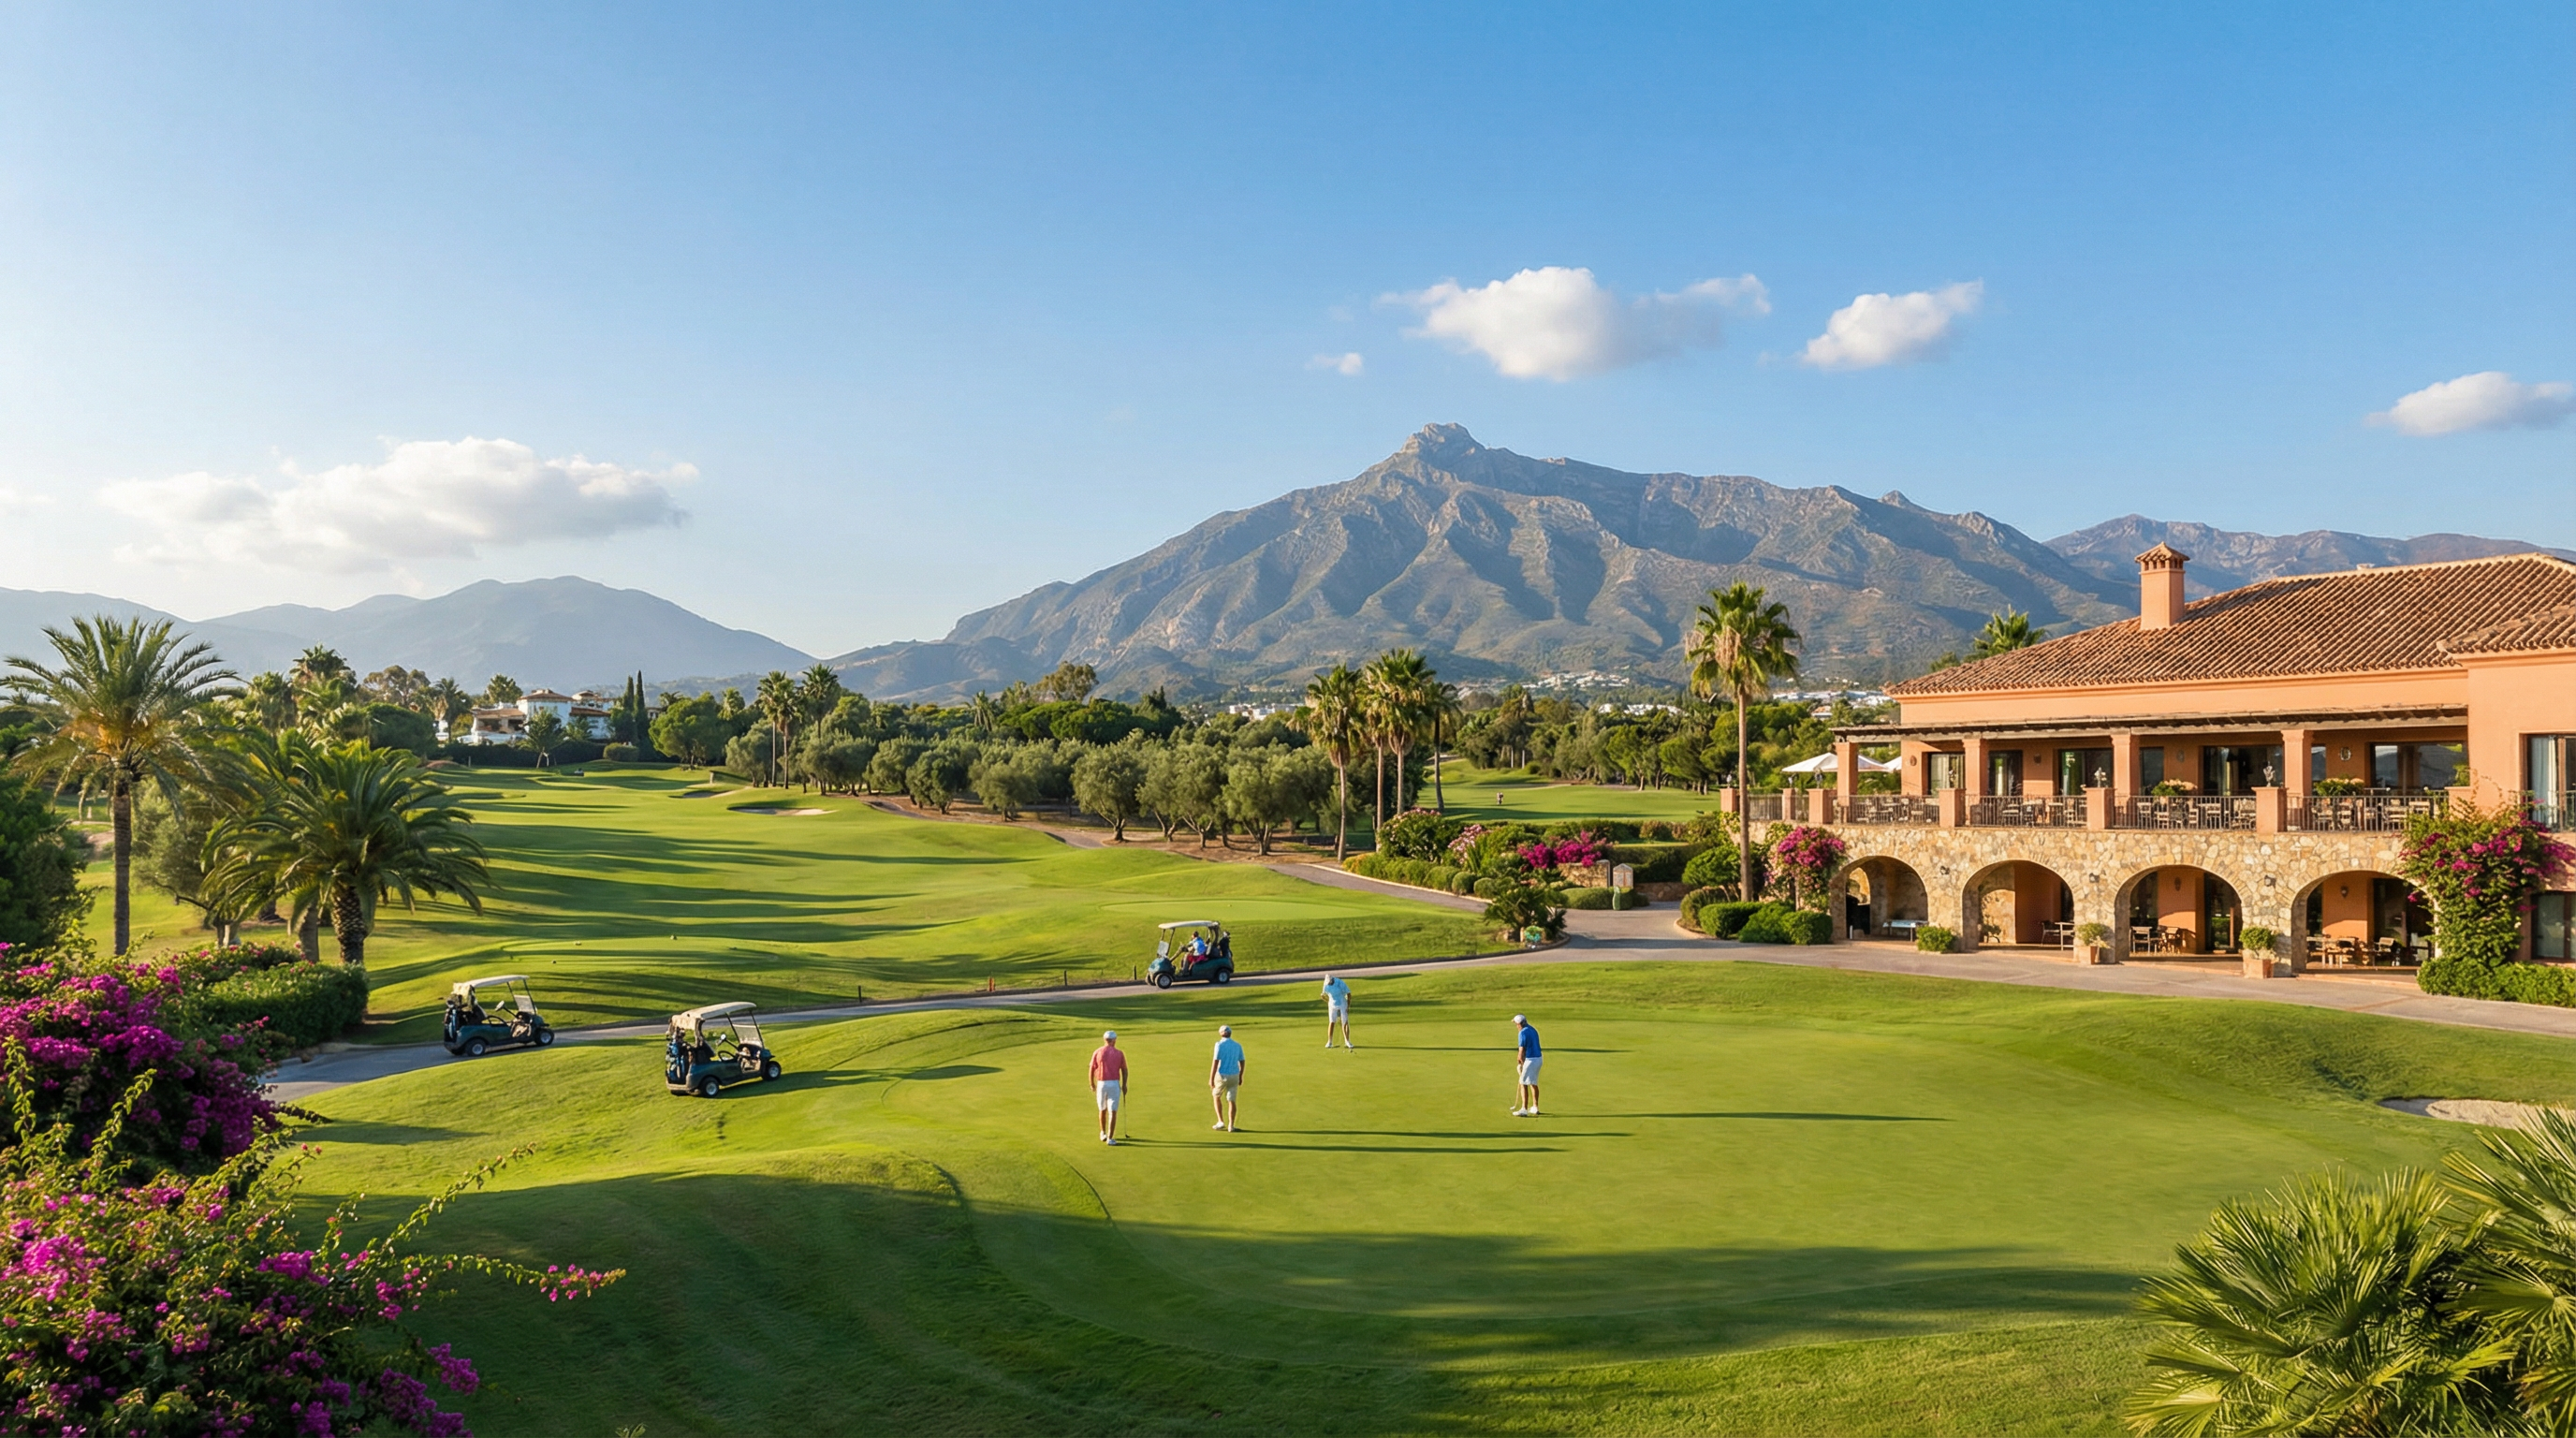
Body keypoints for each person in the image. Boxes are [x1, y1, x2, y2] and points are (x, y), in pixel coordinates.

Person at [1090, 1030, 1130, 1145]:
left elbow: (1091, 1069)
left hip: (1101, 1084)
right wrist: (1124, 1084)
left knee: (1102, 1109)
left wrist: (1092, 1084)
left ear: (1105, 1040)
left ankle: (1103, 1133)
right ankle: (1110, 1138)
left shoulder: (1097, 1052)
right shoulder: (1119, 1053)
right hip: (1114, 1084)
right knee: (1113, 1111)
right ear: (1114, 1040)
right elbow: (1125, 1070)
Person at [1208, 1023, 1247, 1131]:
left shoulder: (1219, 1044)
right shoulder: (1237, 1045)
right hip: (1234, 1075)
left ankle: (1221, 1122)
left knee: (1216, 1096)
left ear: (1221, 1034)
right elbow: (1242, 1061)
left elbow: (1215, 1062)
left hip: (1222, 1075)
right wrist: (1240, 1076)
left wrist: (1211, 1079)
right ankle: (1231, 1125)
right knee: (1232, 1100)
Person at [1511, 1014, 1543, 1117]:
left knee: (1523, 1082)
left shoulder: (1522, 1033)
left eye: (1516, 1024)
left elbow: (1521, 1051)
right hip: (1539, 1059)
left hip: (1531, 1060)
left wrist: (1520, 1061)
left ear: (1519, 1024)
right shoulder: (1532, 1029)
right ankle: (1535, 1107)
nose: (1516, 1026)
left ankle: (1524, 1109)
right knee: (1533, 1082)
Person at [1321, 973, 1354, 1049]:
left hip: (1342, 1003)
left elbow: (1348, 993)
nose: (1329, 983)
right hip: (1332, 1005)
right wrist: (1327, 1001)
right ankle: (1329, 1042)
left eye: (1330, 982)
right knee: (1332, 1022)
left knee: (1344, 1022)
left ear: (1332, 980)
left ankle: (1347, 1041)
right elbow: (1323, 995)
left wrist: (1348, 1006)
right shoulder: (1325, 984)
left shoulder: (1339, 982)